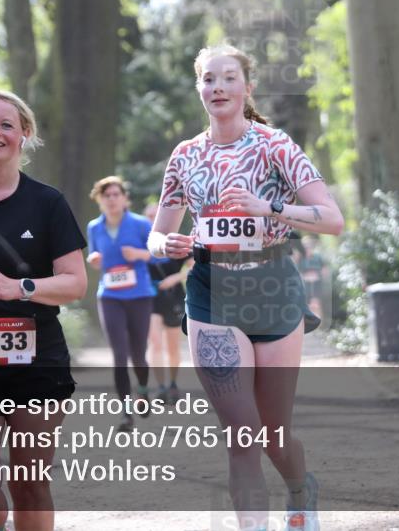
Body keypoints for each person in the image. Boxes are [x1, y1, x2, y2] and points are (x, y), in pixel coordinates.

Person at [148, 44, 344, 531]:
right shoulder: (185, 155)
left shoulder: (274, 145)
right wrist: (163, 244)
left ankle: (300, 489)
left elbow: (333, 219)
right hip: (212, 291)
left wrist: (270, 209)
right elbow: (156, 232)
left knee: (274, 436)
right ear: (199, 89)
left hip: (273, 289)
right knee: (242, 432)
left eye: (228, 78)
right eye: (208, 79)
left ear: (246, 88)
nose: (218, 87)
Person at [0, 91, 88, 531]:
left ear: (24, 135)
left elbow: (75, 283)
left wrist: (20, 287)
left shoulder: (47, 203)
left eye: (6, 125)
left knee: (29, 482)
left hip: (36, 360)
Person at [86, 177, 156, 432]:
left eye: (116, 194)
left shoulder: (139, 224)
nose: (112, 199)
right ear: (100, 200)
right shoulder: (95, 227)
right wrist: (93, 259)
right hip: (110, 296)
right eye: (107, 195)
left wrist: (139, 254)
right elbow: (95, 255)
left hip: (139, 295)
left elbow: (159, 255)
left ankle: (144, 390)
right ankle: (126, 412)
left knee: (138, 354)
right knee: (119, 356)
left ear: (125, 198)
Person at [143, 203, 191, 404]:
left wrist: (175, 278)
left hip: (173, 296)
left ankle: (172, 383)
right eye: (150, 216)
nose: (154, 219)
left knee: (172, 346)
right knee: (154, 342)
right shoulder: (140, 243)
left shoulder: (176, 242)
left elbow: (193, 267)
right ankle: (160, 386)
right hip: (149, 298)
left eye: (157, 215)